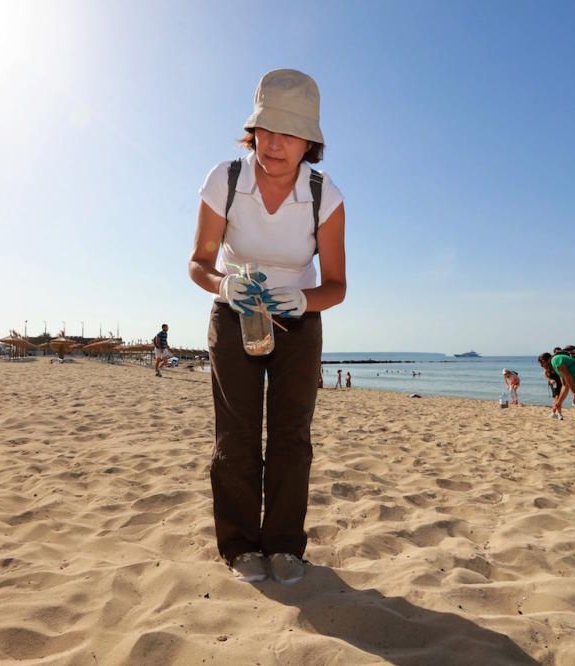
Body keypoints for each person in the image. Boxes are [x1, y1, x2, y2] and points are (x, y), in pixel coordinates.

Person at [188, 69, 346, 585]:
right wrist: (221, 287)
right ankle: (238, 546)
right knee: (235, 435)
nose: (275, 144)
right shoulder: (225, 180)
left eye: (290, 133)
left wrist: (301, 298)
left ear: (310, 143)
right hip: (235, 316)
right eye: (267, 130)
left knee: (291, 437)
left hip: (299, 324)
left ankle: (284, 547)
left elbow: (337, 285)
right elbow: (199, 261)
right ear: (252, 130)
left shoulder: (326, 196)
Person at [538, 350, 575, 434]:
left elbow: (568, 376)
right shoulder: (555, 363)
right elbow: (565, 385)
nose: (542, 366)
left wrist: (574, 393)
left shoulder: (555, 361)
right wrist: (559, 402)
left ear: (545, 360)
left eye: (542, 364)